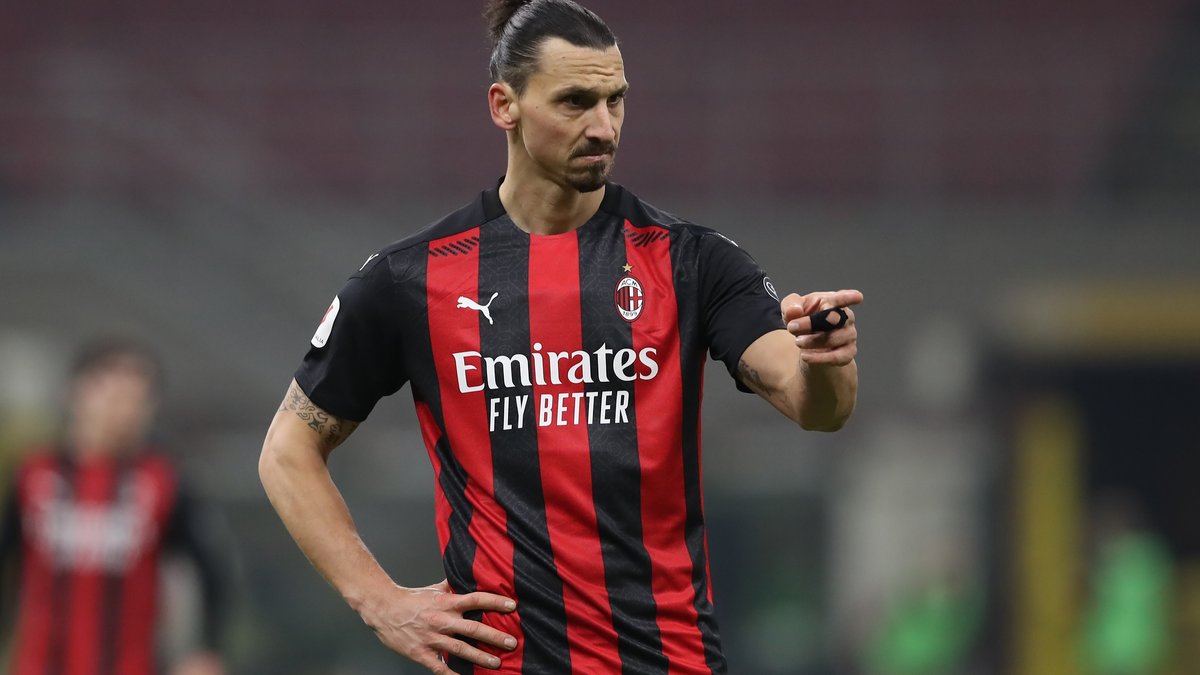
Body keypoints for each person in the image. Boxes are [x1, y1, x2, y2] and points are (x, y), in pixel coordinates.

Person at [258, 1, 861, 673]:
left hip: (668, 659)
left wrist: (826, 361)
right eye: (575, 102)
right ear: (504, 106)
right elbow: (288, 451)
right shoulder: (410, 279)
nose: (603, 126)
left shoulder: (692, 262)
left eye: (615, 100)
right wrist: (379, 601)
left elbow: (815, 406)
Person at [0, 339, 228, 675]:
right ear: (75, 393)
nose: (124, 409)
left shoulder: (165, 481)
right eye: (113, 394)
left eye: (137, 398)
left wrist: (206, 650)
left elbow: (212, 572)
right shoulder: (33, 476)